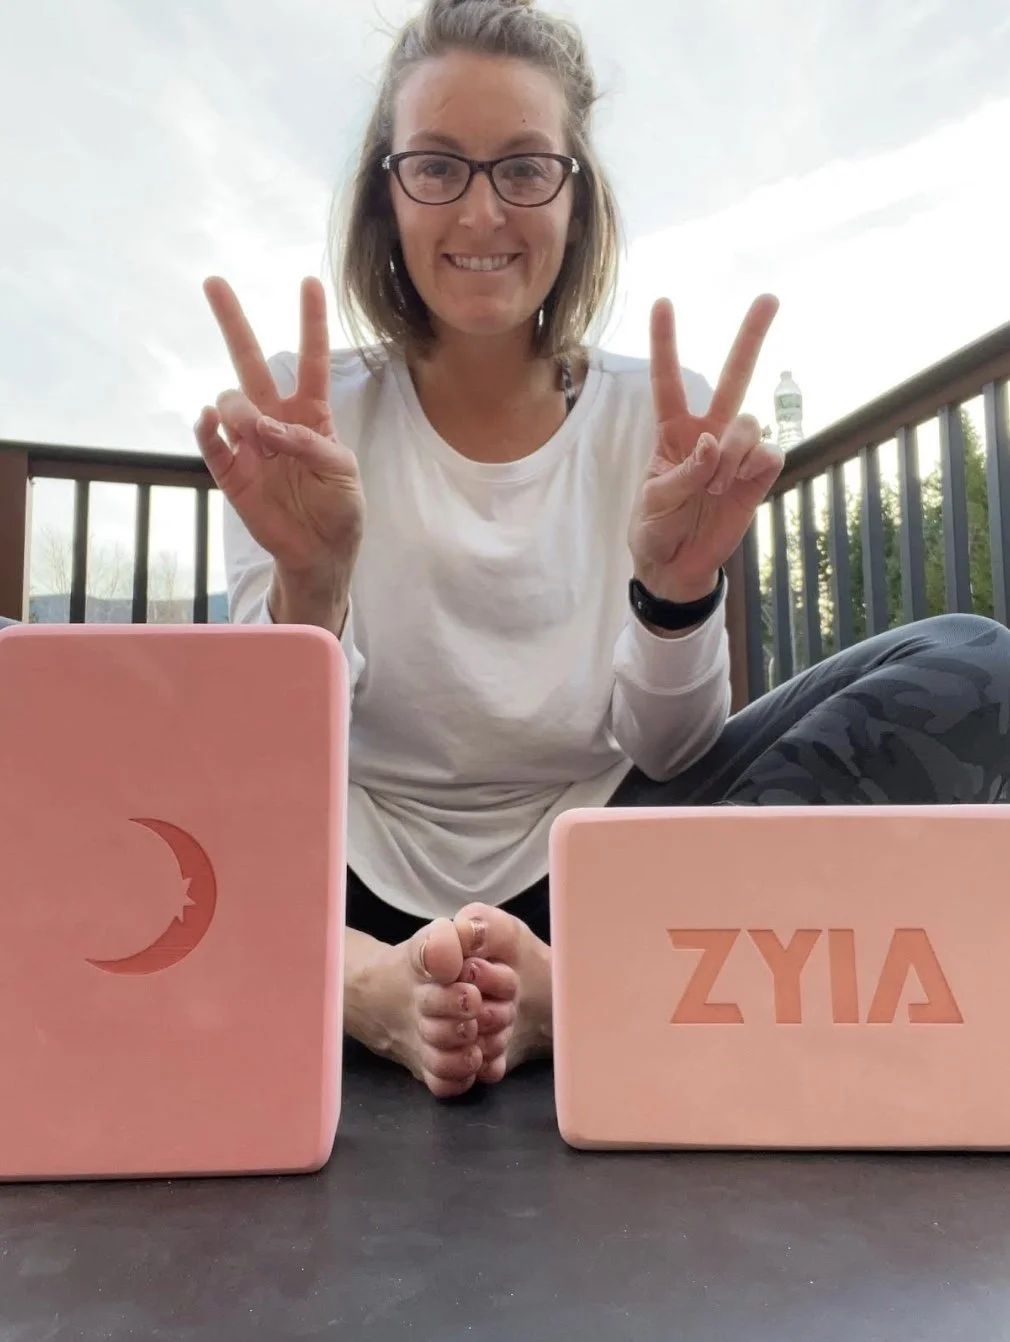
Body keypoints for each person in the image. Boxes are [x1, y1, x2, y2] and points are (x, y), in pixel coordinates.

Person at [194, 0, 1010, 1099]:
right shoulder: (307, 414)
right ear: (385, 195)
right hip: (337, 876)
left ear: (576, 196)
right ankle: (363, 985)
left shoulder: (647, 418)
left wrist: (676, 593)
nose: (482, 208)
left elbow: (668, 753)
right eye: (435, 165)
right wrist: (312, 580)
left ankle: (563, 986)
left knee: (971, 658)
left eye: (524, 168)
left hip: (608, 869)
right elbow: (258, 767)